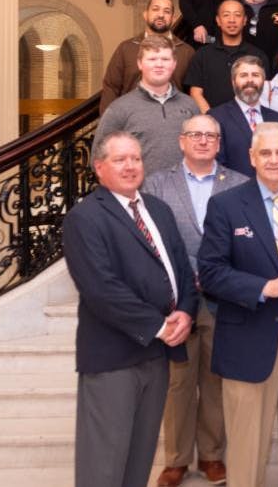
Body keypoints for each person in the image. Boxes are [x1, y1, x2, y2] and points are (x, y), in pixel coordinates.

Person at [197, 122, 278, 487]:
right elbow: (210, 272)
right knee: (246, 452)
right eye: (265, 153)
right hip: (248, 341)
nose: (273, 159)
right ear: (252, 157)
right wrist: (263, 287)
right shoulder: (225, 205)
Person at [65, 130, 197, 487]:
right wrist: (159, 325)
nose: (130, 166)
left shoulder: (158, 210)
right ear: (99, 168)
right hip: (113, 359)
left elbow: (181, 271)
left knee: (139, 461)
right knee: (103, 466)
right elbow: (101, 289)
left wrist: (185, 311)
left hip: (156, 357)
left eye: (136, 159)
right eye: (120, 160)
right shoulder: (85, 218)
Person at [143, 115, 249, 487]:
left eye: (210, 136)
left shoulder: (240, 184)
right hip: (177, 299)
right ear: (182, 141)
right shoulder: (156, 183)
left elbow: (245, 242)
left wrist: (218, 273)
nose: (203, 141)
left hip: (225, 300)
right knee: (179, 382)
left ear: (219, 143)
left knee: (217, 379)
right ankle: (176, 459)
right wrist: (193, 272)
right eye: (195, 135)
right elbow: (153, 238)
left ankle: (211, 455)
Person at [97, 35, 200, 175]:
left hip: (183, 194)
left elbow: (202, 153)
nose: (159, 64)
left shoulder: (190, 106)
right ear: (139, 63)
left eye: (165, 59)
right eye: (152, 59)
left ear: (174, 63)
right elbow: (99, 160)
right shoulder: (118, 109)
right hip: (137, 194)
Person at [100, 0, 194, 113]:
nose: (161, 15)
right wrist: (110, 123)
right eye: (155, 9)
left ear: (173, 18)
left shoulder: (186, 51)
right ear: (145, 15)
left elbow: (191, 93)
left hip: (173, 122)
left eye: (167, 11)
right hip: (130, 121)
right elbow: (111, 87)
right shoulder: (126, 48)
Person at [207, 56, 278, 177]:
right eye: (244, 75)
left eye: (255, 75)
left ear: (263, 81)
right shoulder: (216, 117)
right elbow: (216, 165)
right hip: (234, 193)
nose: (250, 80)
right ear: (233, 81)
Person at [183, 0, 269, 111]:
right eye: (226, 15)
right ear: (218, 20)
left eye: (237, 15)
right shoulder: (202, 55)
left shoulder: (258, 56)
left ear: (244, 20)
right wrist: (212, 120)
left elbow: (264, 92)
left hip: (248, 123)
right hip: (212, 124)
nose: (232, 20)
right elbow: (195, 93)